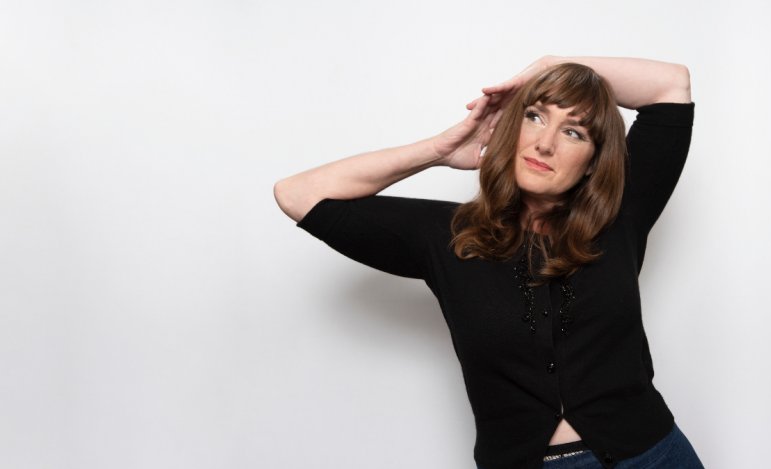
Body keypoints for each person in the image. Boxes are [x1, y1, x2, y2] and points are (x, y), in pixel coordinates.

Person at [273, 56, 702, 469]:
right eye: (534, 116)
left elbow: (672, 84)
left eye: (574, 132)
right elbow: (298, 194)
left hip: (653, 456)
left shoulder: (621, 216)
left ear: (593, 163)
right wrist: (439, 150)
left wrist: (550, 65)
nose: (545, 143)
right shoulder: (450, 236)